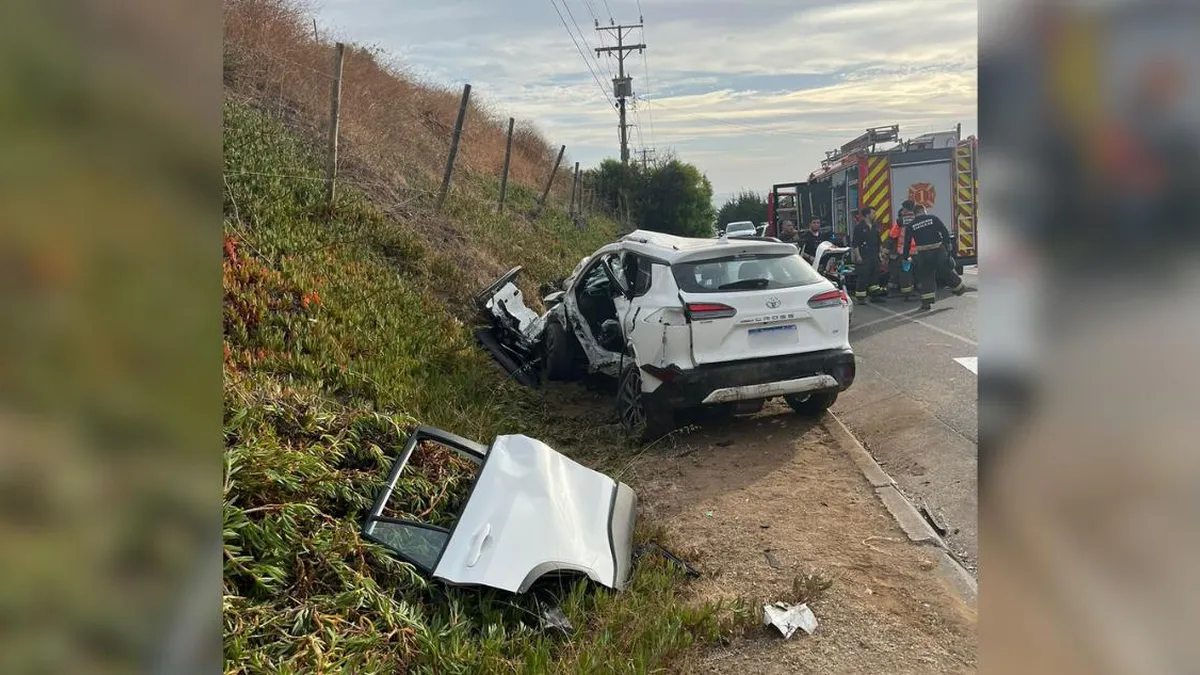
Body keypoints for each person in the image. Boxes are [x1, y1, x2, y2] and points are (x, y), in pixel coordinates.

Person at [902, 203, 968, 310]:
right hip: (938, 250)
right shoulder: (933, 218)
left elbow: (907, 243)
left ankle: (926, 303)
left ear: (915, 214)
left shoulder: (911, 225)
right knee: (946, 270)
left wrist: (905, 257)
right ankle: (959, 288)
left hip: (923, 254)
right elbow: (944, 231)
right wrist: (948, 244)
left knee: (926, 277)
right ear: (923, 210)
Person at [851, 206, 887, 304]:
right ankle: (861, 297)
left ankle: (874, 296)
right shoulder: (859, 227)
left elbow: (879, 241)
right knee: (863, 277)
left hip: (874, 255)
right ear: (867, 214)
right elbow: (855, 244)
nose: (875, 215)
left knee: (875, 276)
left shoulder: (875, 226)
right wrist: (858, 256)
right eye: (873, 213)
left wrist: (881, 253)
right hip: (864, 255)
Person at [886, 204, 916, 300]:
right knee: (915, 272)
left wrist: (888, 249)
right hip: (917, 252)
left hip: (903, 252)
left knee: (904, 272)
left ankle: (906, 294)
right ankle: (914, 291)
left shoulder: (900, 221)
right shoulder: (918, 219)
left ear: (905, 209)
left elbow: (892, 235)